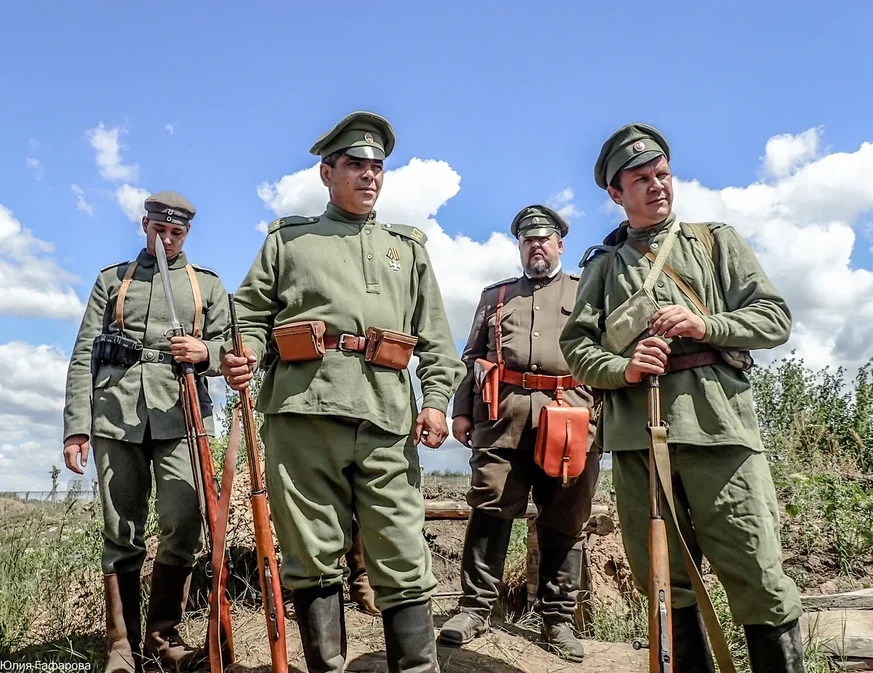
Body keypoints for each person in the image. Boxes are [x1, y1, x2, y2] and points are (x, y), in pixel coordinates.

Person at [221, 110, 465, 673]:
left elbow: (436, 338)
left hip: (385, 417)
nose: (369, 175)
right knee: (311, 555)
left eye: (377, 167)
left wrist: (434, 401)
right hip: (303, 414)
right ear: (327, 173)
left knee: (403, 553)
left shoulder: (409, 248)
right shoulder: (288, 241)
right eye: (356, 164)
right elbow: (249, 315)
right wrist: (246, 352)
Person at [560, 123, 804, 673]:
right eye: (641, 179)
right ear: (616, 193)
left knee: (758, 572)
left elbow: (774, 318)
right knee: (663, 582)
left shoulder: (714, 241)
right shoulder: (603, 266)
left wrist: (706, 324)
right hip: (639, 442)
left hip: (720, 431)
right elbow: (576, 347)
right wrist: (623, 368)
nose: (657, 185)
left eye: (663, 174)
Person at [62, 192, 229, 673]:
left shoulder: (208, 286)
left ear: (187, 233)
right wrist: (77, 428)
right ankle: (121, 644)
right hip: (116, 416)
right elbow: (83, 355)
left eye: (177, 233)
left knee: (184, 520)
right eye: (160, 230)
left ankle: (162, 636)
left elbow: (232, 347)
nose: (167, 240)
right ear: (145, 225)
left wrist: (206, 353)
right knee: (121, 529)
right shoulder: (112, 281)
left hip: (184, 416)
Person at [439, 205, 600, 662]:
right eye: (528, 240)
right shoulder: (497, 296)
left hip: (570, 418)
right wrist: (462, 413)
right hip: (502, 420)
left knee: (565, 516)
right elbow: (472, 358)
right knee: (490, 505)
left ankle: (558, 619)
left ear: (560, 245)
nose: (536, 247)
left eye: (544, 239)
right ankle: (474, 609)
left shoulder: (586, 291)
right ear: (520, 247)